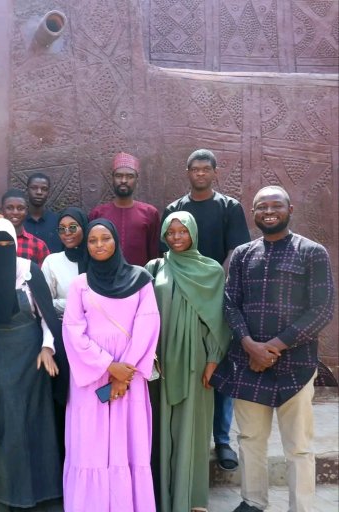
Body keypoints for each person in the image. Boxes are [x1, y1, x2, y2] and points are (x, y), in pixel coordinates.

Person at [211, 186, 335, 512]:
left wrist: (275, 347)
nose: (269, 211)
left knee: (299, 447)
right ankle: (253, 502)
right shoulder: (242, 255)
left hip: (297, 366)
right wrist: (251, 346)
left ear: (289, 209)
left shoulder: (312, 252)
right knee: (250, 440)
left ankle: (302, 507)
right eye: (261, 206)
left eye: (275, 205)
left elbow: (322, 309)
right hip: (248, 364)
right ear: (253, 213)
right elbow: (230, 305)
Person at [61, 219, 160, 512]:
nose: (100, 244)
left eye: (105, 238)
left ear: (116, 241)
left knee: (127, 444)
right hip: (90, 379)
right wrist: (108, 366)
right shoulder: (79, 284)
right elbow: (72, 330)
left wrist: (123, 372)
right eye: (93, 240)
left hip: (129, 379)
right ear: (86, 246)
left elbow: (148, 324)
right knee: (88, 447)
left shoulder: (140, 279)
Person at [161, 149, 250, 471]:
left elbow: (236, 252)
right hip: (182, 298)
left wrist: (214, 283)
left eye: (205, 169)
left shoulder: (229, 208)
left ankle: (222, 440)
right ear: (187, 172)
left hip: (216, 294)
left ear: (215, 172)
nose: (200, 174)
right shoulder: (175, 210)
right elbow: (170, 255)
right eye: (194, 169)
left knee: (219, 370)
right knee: (188, 370)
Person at [0, 218, 63, 510]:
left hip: (33, 356)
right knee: (7, 423)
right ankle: (6, 494)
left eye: (6, 244)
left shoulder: (29, 270)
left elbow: (46, 315)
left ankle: (41, 492)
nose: (1, 249)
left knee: (37, 422)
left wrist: (48, 347)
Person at [145, 212, 230, 512]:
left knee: (193, 426)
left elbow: (218, 321)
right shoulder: (155, 268)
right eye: (171, 232)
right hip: (160, 360)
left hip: (197, 361)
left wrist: (213, 360)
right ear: (164, 235)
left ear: (193, 233)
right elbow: (143, 315)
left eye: (183, 232)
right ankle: (162, 499)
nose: (177, 237)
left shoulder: (211, 271)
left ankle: (191, 499)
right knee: (161, 429)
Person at [89, 152, 160, 266]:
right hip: (106, 280)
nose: (123, 180)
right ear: (112, 178)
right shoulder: (97, 214)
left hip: (139, 280)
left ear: (137, 179)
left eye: (130, 176)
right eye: (119, 175)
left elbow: (154, 253)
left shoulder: (150, 213)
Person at [41, 207, 89, 316]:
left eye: (72, 227)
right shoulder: (52, 262)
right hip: (62, 326)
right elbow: (44, 302)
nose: (66, 233)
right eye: (62, 229)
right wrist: (78, 303)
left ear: (84, 227)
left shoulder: (97, 259)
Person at [1, 188, 50, 266]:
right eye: (10, 208)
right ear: (2, 210)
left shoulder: (38, 245)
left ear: (27, 211)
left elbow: (45, 276)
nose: (15, 212)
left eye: (20, 208)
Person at [23, 173, 62, 253]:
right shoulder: (18, 222)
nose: (39, 192)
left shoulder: (58, 221)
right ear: (27, 191)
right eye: (34, 188)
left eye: (44, 189)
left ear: (49, 192)